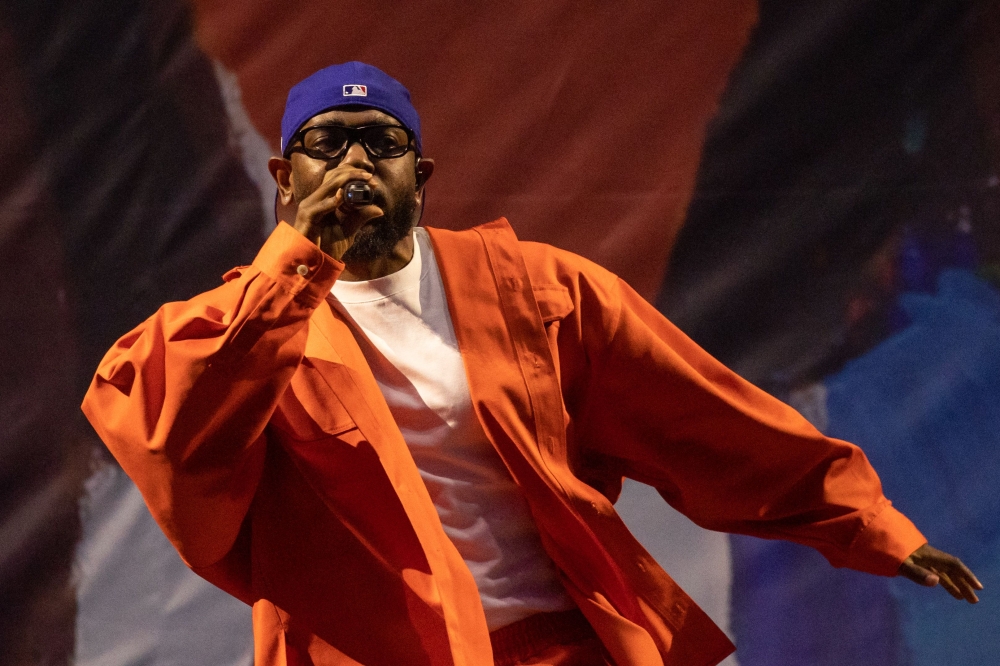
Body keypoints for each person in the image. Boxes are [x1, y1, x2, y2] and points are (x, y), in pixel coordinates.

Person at [82, 61, 982, 666]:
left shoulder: (535, 291)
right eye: (327, 142)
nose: (354, 157)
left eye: (379, 140)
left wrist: (875, 529)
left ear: (421, 174)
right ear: (285, 177)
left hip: (563, 645)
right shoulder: (226, 328)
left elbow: (709, 422)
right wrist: (297, 266)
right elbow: (172, 442)